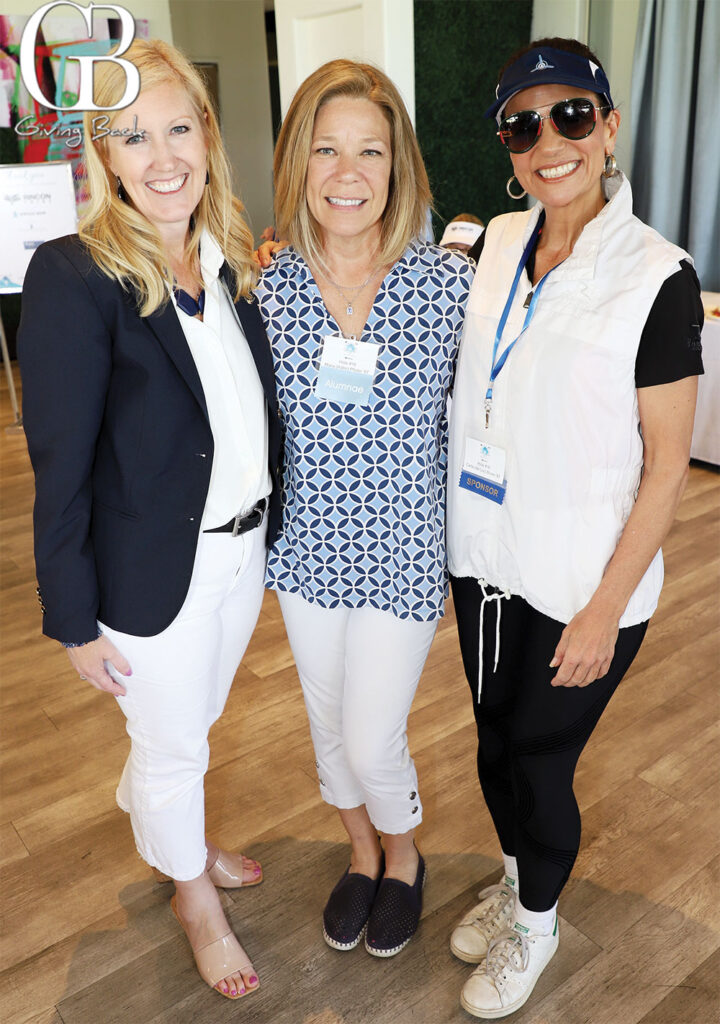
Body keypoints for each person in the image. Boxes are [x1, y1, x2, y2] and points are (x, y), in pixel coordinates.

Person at [18, 39, 282, 1002]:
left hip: (241, 550)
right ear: (107, 157)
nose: (163, 156)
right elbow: (60, 462)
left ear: (206, 139)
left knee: (191, 725)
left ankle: (179, 826)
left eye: (179, 128)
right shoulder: (75, 273)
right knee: (176, 742)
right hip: (148, 567)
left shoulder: (227, 261)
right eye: (135, 137)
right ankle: (192, 899)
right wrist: (73, 616)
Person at [446, 38, 703, 1018]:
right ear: (507, 142)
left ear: (607, 126)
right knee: (489, 738)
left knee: (538, 760)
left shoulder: (656, 276)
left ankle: (539, 926)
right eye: (522, 123)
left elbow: (669, 463)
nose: (547, 141)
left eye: (570, 116)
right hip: (484, 562)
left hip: (584, 582)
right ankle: (517, 884)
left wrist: (602, 610)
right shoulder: (497, 244)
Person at [255, 59, 474, 957]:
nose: (348, 173)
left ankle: (406, 856)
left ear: (399, 166)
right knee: (326, 727)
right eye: (327, 149)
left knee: (373, 737)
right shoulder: (266, 289)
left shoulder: (449, 288)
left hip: (405, 556)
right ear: (300, 164)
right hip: (308, 554)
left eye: (370, 151)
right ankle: (359, 854)